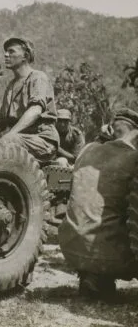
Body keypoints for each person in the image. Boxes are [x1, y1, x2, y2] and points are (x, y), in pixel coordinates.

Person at [58, 108, 138, 300]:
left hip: (70, 250)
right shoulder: (133, 158)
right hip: (111, 256)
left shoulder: (87, 150)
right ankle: (101, 273)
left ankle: (94, 277)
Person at [0, 37, 59, 163]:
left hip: (42, 140)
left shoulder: (38, 78)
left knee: (6, 142)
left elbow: (35, 111)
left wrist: (11, 133)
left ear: (25, 56)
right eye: (6, 51)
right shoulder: (11, 86)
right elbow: (1, 123)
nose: (6, 54)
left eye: (11, 51)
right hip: (18, 138)